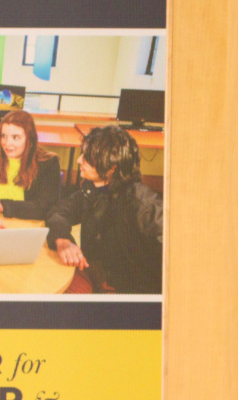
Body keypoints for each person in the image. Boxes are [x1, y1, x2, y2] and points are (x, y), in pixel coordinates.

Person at [45, 124, 164, 294]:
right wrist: (62, 240)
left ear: (111, 167)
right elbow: (59, 211)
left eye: (86, 157)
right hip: (97, 275)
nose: (79, 160)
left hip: (127, 292)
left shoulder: (143, 206)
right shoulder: (92, 188)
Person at [0, 110, 67, 229]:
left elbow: (44, 207)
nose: (7, 143)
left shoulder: (49, 163)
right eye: (4, 136)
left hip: (25, 229)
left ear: (30, 139)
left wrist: (1, 205)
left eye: (16, 137)